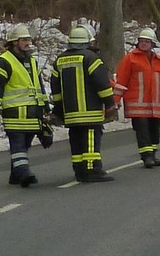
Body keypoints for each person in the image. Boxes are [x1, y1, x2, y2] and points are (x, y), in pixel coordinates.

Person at [0, 23, 52, 188]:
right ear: (14, 42)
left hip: (32, 113)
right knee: (18, 144)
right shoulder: (4, 61)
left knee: (25, 145)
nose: (28, 43)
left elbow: (39, 85)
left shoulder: (31, 61)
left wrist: (45, 105)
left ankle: (15, 175)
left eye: (29, 39)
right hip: (14, 113)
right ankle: (23, 174)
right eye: (24, 40)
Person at [50, 24, 117, 183]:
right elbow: (101, 83)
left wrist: (58, 109)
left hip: (70, 113)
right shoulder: (91, 58)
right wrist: (109, 103)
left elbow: (56, 88)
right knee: (91, 139)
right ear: (88, 41)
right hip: (90, 111)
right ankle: (92, 169)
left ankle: (79, 170)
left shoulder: (60, 60)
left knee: (76, 140)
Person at [113, 27, 160, 168]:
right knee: (142, 131)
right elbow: (121, 81)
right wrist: (116, 100)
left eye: (146, 41)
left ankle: (153, 154)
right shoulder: (130, 59)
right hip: (137, 105)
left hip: (156, 105)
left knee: (155, 130)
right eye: (141, 41)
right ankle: (146, 157)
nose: (143, 44)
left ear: (152, 44)